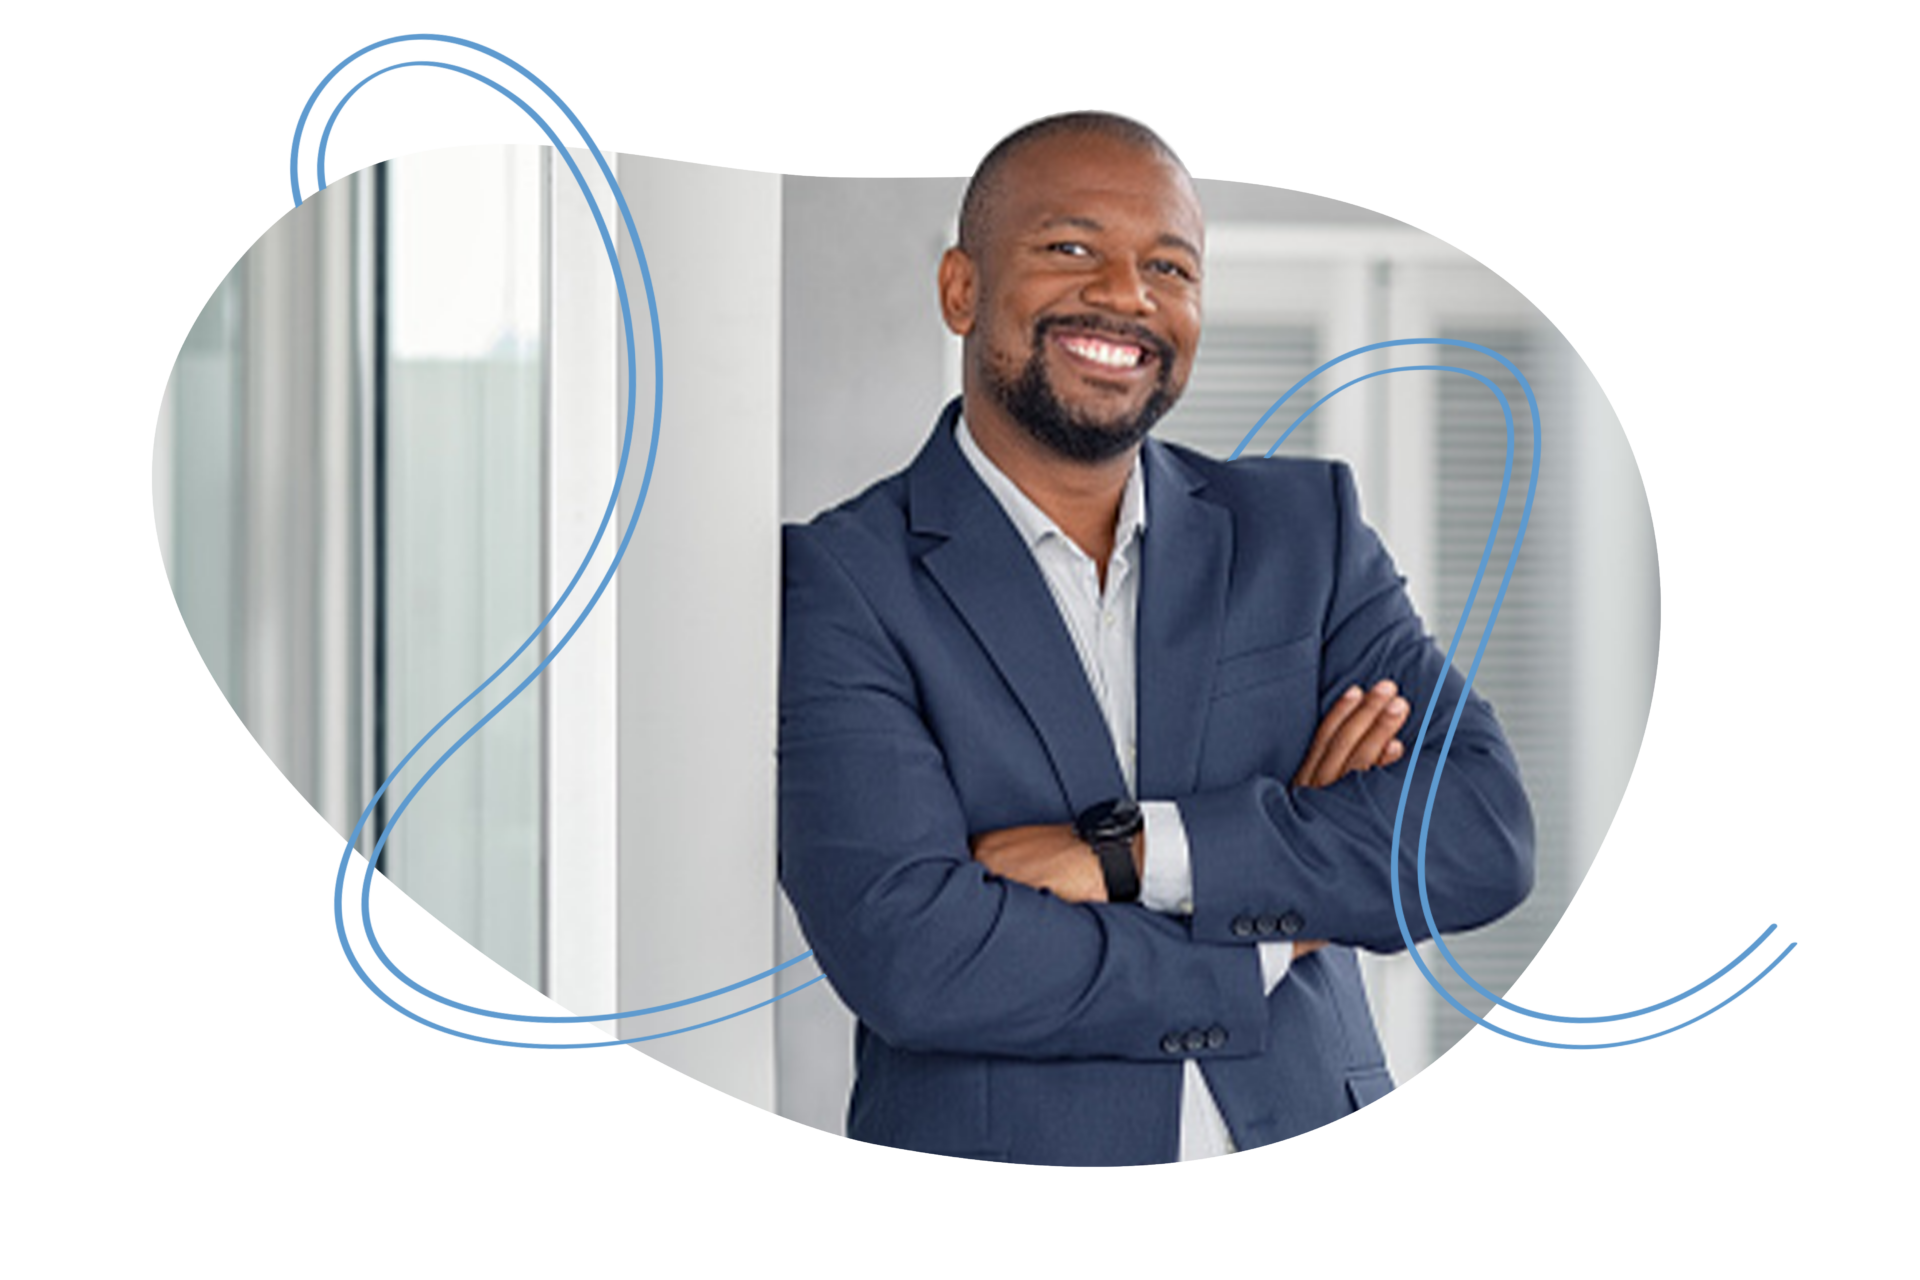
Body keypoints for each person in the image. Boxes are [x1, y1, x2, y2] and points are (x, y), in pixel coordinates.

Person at [778, 111, 1535, 1166]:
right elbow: (920, 956)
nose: (1128, 294)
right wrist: (1276, 922)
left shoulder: (1302, 533)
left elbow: (1480, 831)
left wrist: (1134, 858)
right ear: (962, 288)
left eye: (1169, 266)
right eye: (1070, 248)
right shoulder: (845, 580)